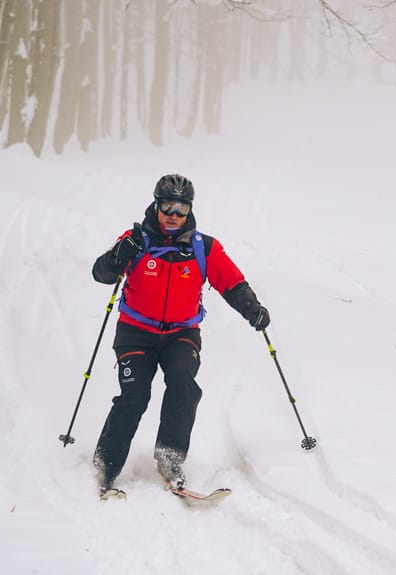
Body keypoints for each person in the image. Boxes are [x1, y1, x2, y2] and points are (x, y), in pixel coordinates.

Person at [91, 174, 270, 497]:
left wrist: (252, 309)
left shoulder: (203, 248)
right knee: (135, 396)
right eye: (168, 207)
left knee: (183, 384)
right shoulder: (136, 240)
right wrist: (120, 254)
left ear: (189, 211)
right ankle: (107, 463)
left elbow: (231, 282)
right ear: (156, 206)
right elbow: (101, 273)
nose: (173, 215)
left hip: (181, 334)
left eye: (181, 208)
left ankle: (170, 458)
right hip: (135, 333)